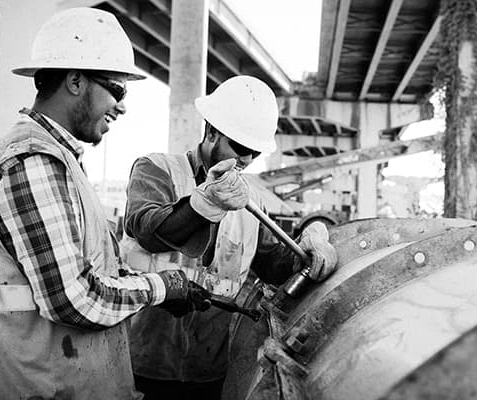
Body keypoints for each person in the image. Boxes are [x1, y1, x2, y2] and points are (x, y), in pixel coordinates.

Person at [0, 8, 213, 399]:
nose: (123, 106)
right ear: (76, 81)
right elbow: (74, 300)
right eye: (118, 90)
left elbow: (95, 271)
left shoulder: (61, 162)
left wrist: (162, 290)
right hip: (40, 384)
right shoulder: (31, 162)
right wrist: (162, 288)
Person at [121, 75, 339, 400]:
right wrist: (204, 203)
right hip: (143, 364)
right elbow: (149, 231)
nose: (246, 160)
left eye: (254, 152)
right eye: (240, 147)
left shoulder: (253, 199)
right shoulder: (156, 170)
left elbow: (276, 265)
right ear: (211, 131)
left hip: (208, 373)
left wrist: (313, 234)